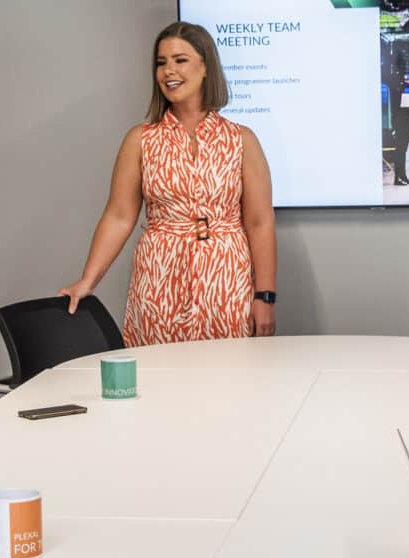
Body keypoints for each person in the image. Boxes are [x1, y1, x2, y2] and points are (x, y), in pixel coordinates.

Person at [60, 22, 278, 344]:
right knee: (155, 379)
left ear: (206, 68)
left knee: (229, 380)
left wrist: (266, 296)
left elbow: (260, 223)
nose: (168, 71)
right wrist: (87, 281)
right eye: (161, 63)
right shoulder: (140, 140)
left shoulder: (241, 140)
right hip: (159, 278)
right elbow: (119, 216)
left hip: (226, 279)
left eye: (180, 60)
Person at [389, 72, 409, 186]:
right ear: (401, 82)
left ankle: (403, 176)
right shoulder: (397, 94)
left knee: (403, 153)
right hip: (400, 127)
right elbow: (399, 112)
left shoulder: (401, 93)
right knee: (400, 153)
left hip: (404, 127)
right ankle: (398, 178)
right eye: (407, 80)